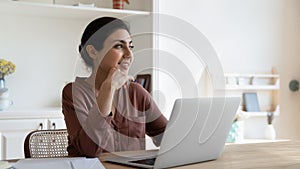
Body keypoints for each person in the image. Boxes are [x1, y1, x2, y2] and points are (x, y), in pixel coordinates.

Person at [62, 17, 168, 157]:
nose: (129, 55)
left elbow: (167, 137)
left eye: (130, 46)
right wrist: (108, 88)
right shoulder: (74, 93)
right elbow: (90, 150)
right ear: (93, 52)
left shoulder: (136, 93)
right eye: (119, 46)